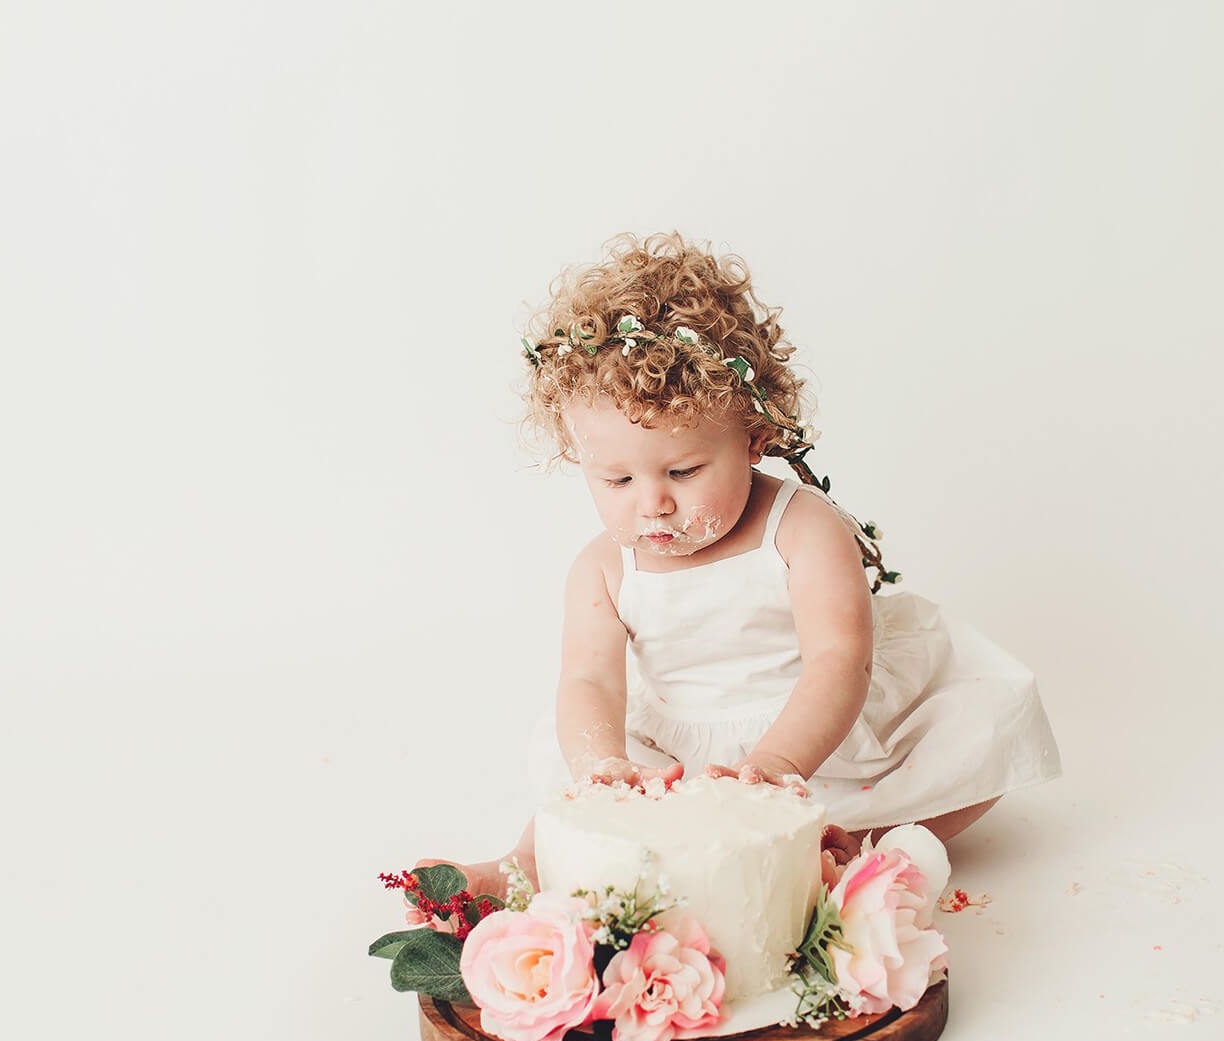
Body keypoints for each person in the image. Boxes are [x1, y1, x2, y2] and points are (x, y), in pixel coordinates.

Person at [416, 231, 1060, 897]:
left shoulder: (800, 529)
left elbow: (841, 659)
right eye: (616, 481)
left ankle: (856, 846)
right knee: (565, 760)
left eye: (684, 470)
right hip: (670, 756)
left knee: (979, 734)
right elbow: (589, 681)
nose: (654, 503)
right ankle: (521, 868)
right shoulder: (604, 570)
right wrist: (605, 766)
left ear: (754, 438)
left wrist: (778, 764)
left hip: (812, 738)